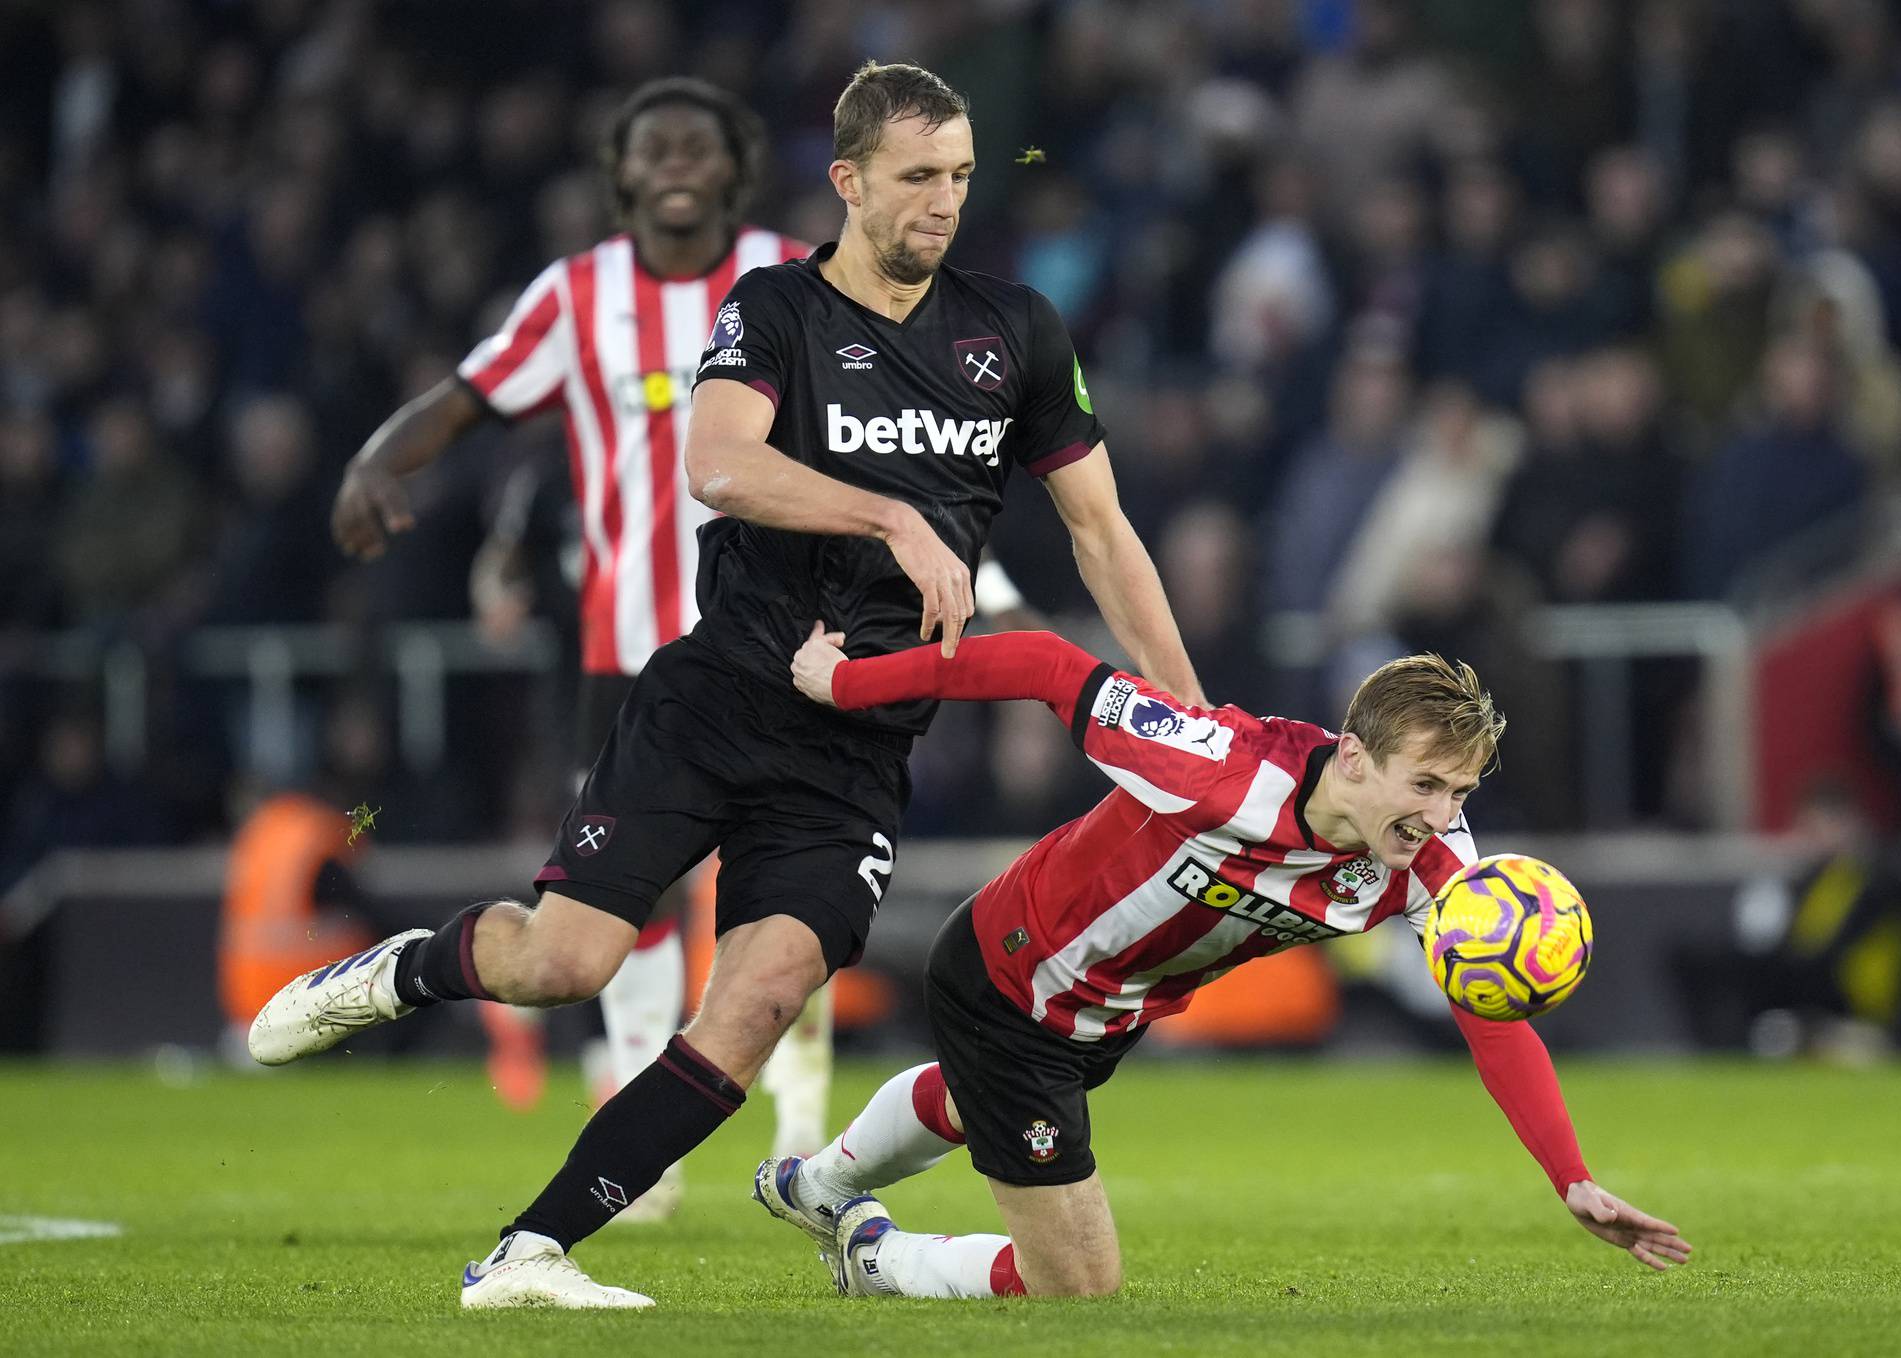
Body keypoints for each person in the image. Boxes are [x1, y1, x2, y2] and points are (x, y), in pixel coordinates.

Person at [251, 60, 1203, 1309]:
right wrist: (899, 521)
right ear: (848, 180)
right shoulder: (775, 309)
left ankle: (526, 1254)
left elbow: (1102, 529)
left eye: (963, 176)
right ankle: (395, 972)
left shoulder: (1014, 330)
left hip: (858, 743)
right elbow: (717, 464)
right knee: (567, 962)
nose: (945, 202)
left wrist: (1186, 712)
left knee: (752, 1009)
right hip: (718, 696)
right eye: (919, 177)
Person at [751, 625, 1692, 1298]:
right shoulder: (1223, 766)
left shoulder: (1436, 863)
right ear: (1355, 759)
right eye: (1427, 786)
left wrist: (1570, 1177)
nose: (1444, 817)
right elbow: (1042, 662)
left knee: (975, 1105)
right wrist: (851, 685)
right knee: (1077, 1285)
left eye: (1460, 792)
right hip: (1015, 971)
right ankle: (871, 1258)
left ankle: (817, 1184)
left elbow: (1488, 1012)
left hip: (1114, 1008)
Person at [325, 77, 822, 1216]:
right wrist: (375, 460)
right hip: (626, 648)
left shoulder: (794, 274)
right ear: (625, 174)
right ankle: (644, 1126)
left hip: (784, 631)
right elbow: (468, 396)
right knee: (624, 896)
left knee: (787, 869)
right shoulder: (576, 293)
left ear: (735, 164)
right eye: (657, 148)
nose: (679, 162)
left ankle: (800, 1114)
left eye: (701, 143)